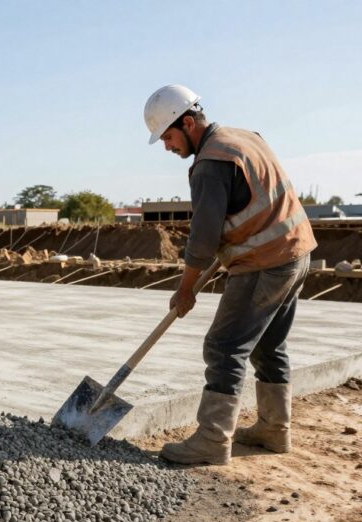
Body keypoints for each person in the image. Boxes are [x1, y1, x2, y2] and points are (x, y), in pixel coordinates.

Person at [142, 84, 317, 465]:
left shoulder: (210, 163)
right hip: (297, 251)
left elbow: (202, 239)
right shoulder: (244, 137)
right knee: (268, 345)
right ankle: (274, 429)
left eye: (169, 138)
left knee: (224, 348)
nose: (168, 147)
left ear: (188, 123)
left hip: (264, 261)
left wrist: (186, 289)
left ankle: (212, 439)